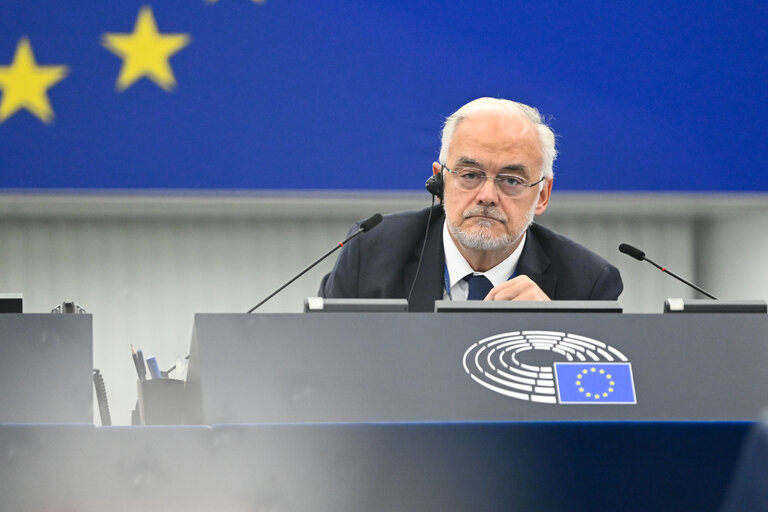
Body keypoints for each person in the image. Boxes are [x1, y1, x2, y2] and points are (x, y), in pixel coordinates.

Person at [319, 97, 622, 311]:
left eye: (511, 180)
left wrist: (556, 332)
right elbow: (324, 368)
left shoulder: (588, 285)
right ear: (440, 182)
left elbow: (600, 397)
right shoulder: (370, 254)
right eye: (470, 175)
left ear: (542, 194)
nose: (487, 195)